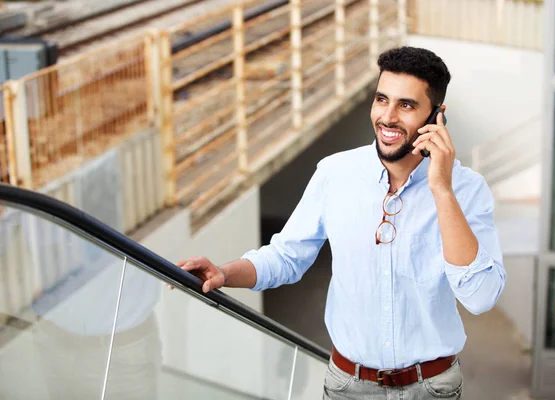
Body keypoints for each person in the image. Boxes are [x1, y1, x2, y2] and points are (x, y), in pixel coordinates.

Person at [174, 46, 506, 399]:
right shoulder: (335, 173)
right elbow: (287, 257)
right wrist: (224, 274)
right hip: (348, 387)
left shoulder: (467, 190)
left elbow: (480, 296)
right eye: (381, 100)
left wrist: (441, 190)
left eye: (406, 105)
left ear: (437, 116)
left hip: (432, 389)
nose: (388, 117)